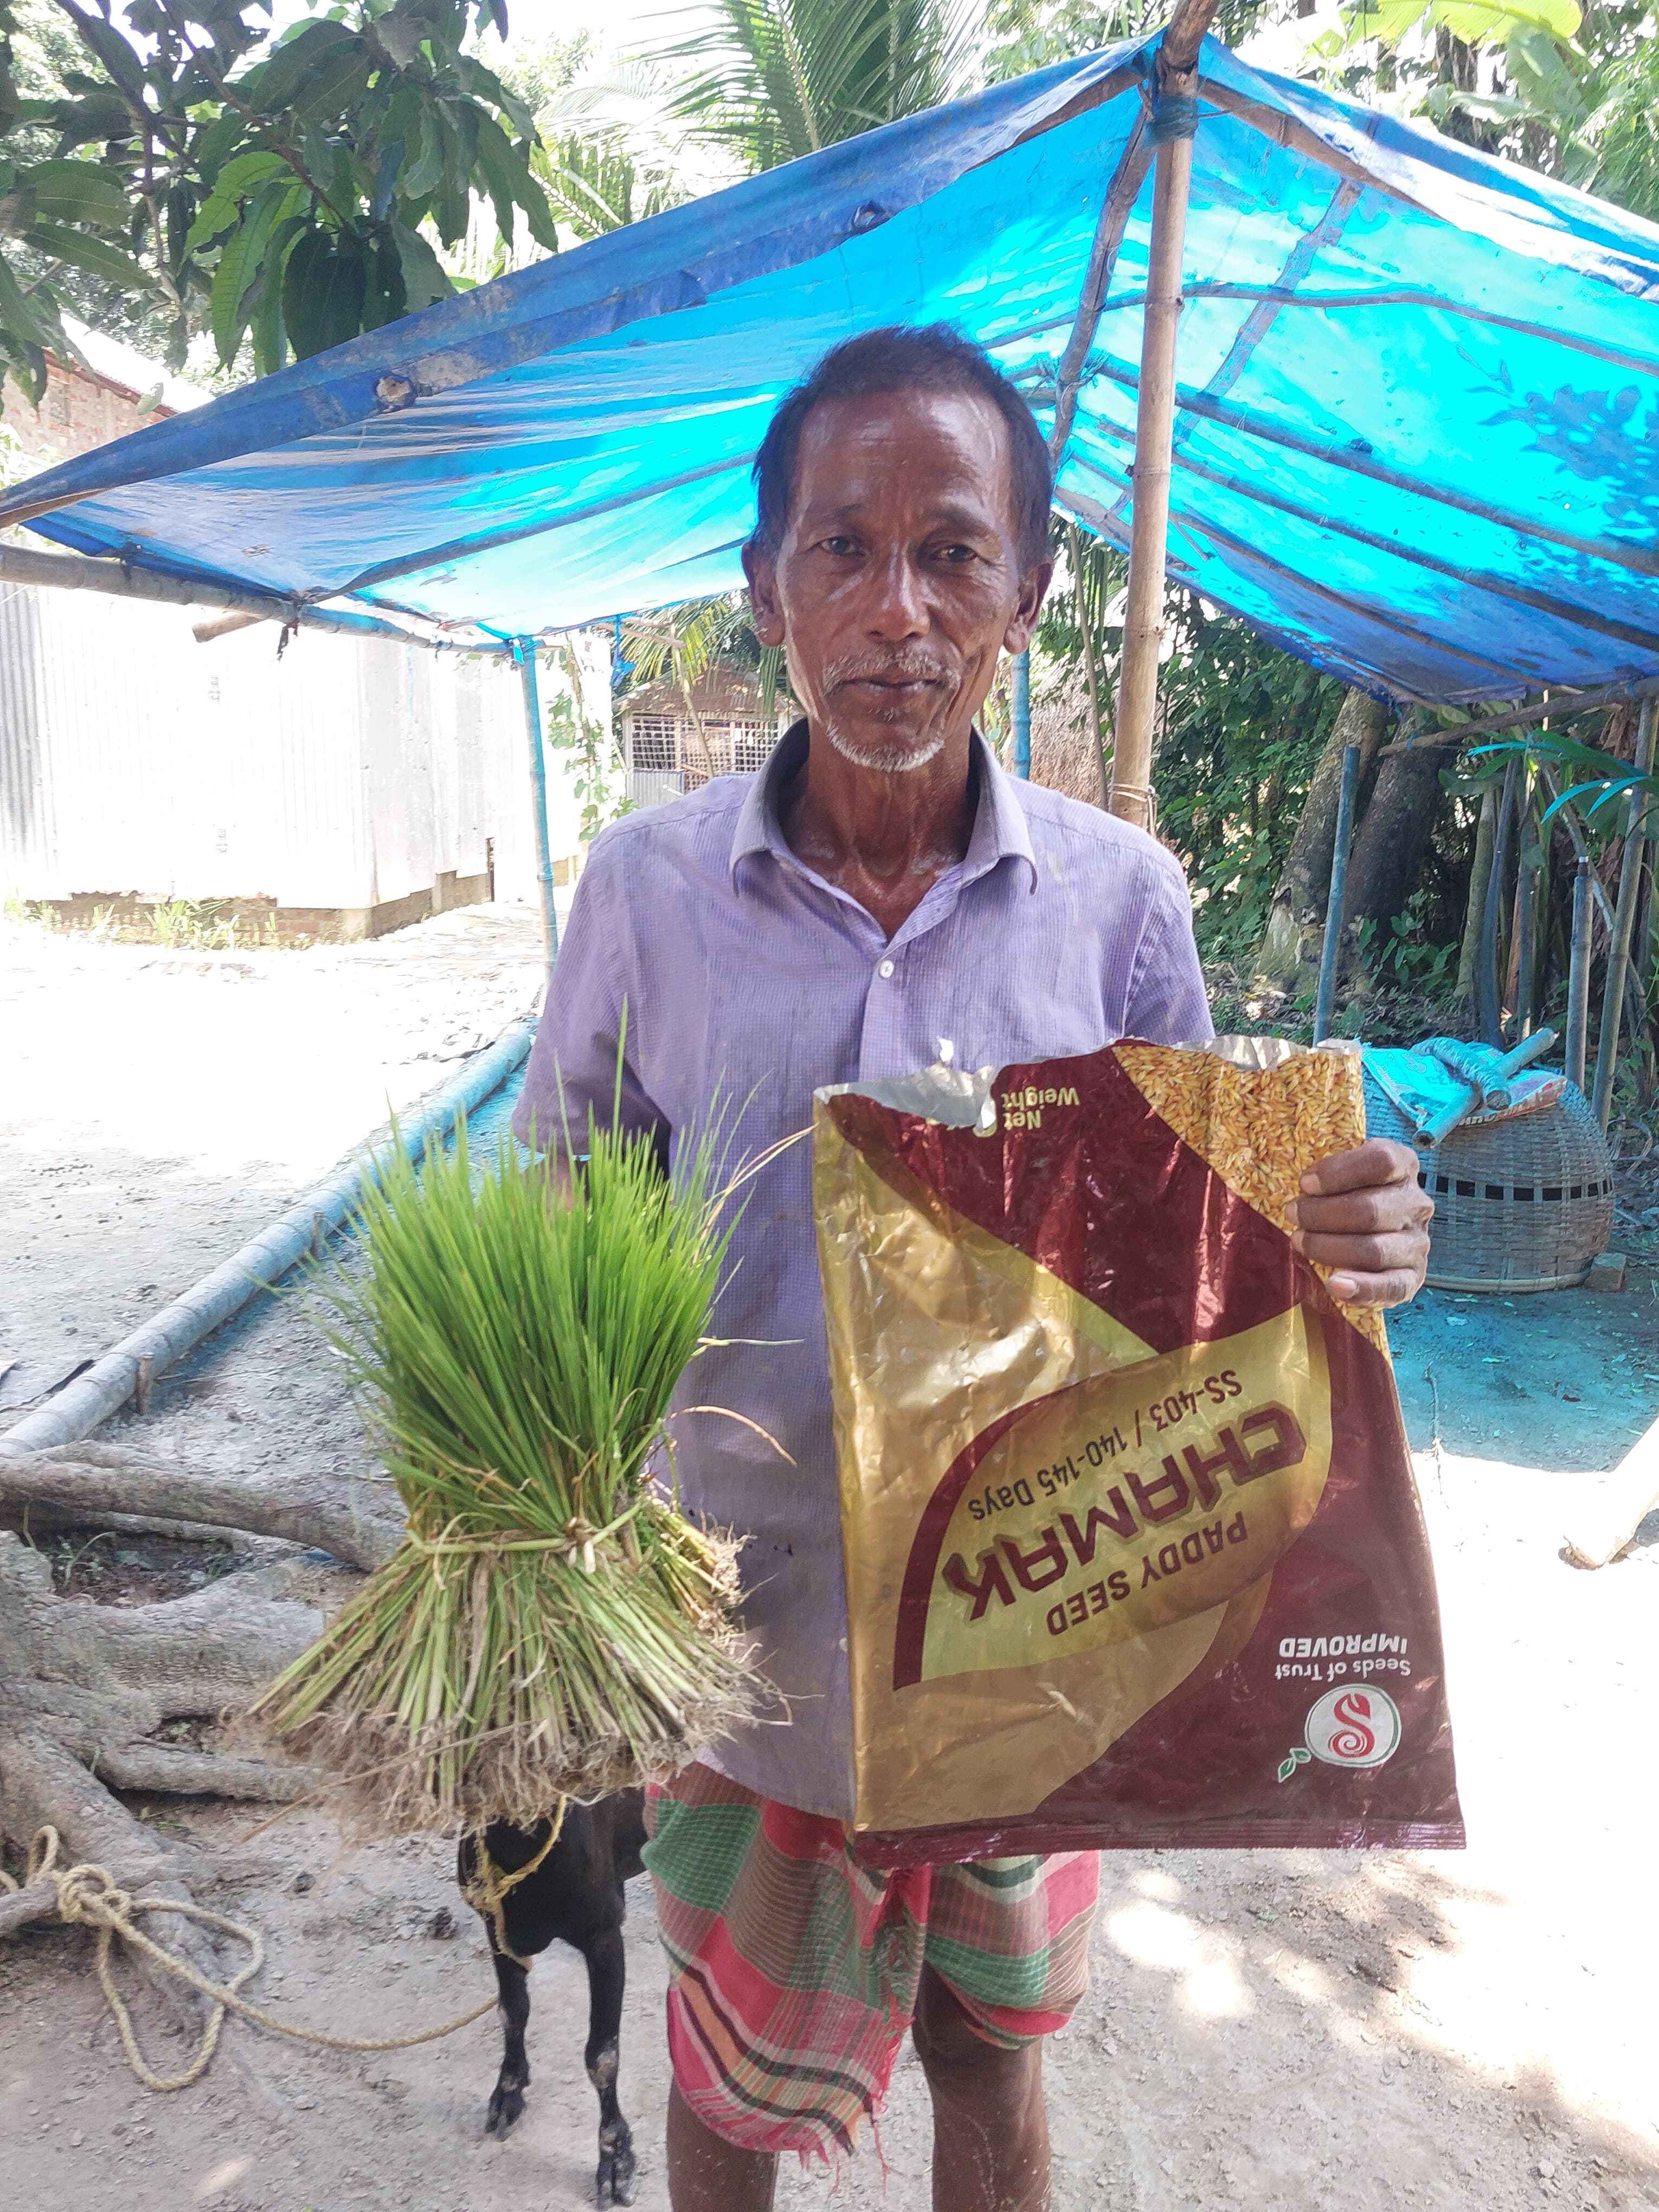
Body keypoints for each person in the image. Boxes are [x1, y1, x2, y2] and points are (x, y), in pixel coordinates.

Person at [514, 324, 1433, 2212]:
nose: (895, 611)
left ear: (1026, 591)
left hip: (1035, 1625)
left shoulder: (1120, 904)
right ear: (764, 585)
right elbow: (559, 1210)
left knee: (989, 2059)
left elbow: (1205, 1263)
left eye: (950, 553)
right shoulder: (644, 893)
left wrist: (1345, 1242)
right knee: (730, 2078)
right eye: (841, 551)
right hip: (743, 1641)